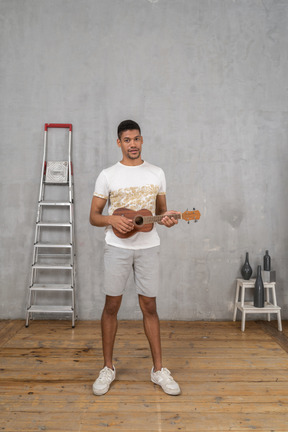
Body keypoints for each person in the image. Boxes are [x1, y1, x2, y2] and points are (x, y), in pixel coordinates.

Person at [89, 119, 181, 396]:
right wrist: (112, 221)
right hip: (116, 247)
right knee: (111, 306)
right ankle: (108, 368)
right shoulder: (108, 174)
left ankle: (158, 371)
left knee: (150, 306)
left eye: (137, 139)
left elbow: (161, 211)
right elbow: (93, 216)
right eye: (127, 140)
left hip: (148, 246)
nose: (133, 144)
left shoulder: (157, 173)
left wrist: (168, 220)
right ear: (119, 143)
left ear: (142, 140)